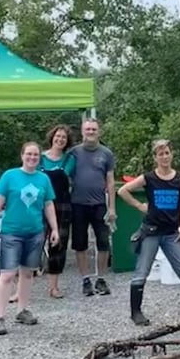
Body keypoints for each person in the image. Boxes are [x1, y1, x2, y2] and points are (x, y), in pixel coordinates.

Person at [118, 140, 180, 326]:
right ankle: (136, 312)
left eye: (167, 153)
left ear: (172, 155)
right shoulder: (149, 178)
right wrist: (140, 206)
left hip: (171, 233)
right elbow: (123, 191)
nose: (164, 157)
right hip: (151, 231)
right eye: (161, 154)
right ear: (155, 157)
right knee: (142, 272)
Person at [0, 142, 59, 336]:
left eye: (36, 155)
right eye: (29, 154)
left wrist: (54, 228)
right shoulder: (10, 176)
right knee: (7, 274)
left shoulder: (43, 179)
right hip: (12, 231)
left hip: (35, 232)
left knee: (28, 273)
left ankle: (22, 310)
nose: (32, 158)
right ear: (22, 155)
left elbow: (48, 204)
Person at [68, 119, 117, 297]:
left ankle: (101, 279)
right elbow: (64, 175)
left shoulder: (106, 153)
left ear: (99, 132)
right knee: (80, 244)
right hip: (78, 204)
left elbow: (110, 182)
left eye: (94, 129)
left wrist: (112, 208)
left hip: (99, 205)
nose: (90, 132)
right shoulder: (73, 153)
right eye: (87, 129)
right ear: (82, 132)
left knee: (103, 243)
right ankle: (85, 279)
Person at [39, 124, 76, 299]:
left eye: (64, 137)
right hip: (38, 205)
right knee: (32, 243)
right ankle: (19, 289)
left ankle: (53, 287)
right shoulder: (38, 158)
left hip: (62, 206)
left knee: (58, 245)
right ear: (52, 137)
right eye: (57, 136)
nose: (60, 139)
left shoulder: (69, 160)